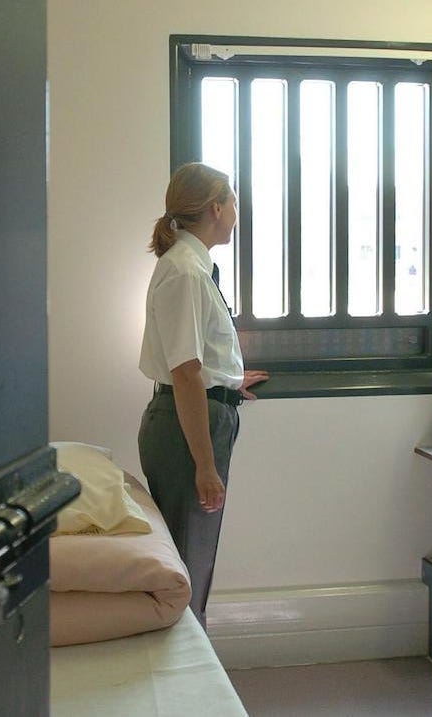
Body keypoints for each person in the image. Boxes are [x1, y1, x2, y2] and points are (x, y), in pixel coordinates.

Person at [137, 162, 268, 628]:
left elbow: (197, 365)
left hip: (193, 418)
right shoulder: (186, 273)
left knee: (195, 556)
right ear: (216, 208)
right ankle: (187, 680)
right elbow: (186, 373)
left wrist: (230, 379)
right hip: (185, 428)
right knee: (188, 563)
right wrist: (205, 465)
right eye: (232, 201)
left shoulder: (192, 267)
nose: (236, 210)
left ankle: (188, 667)